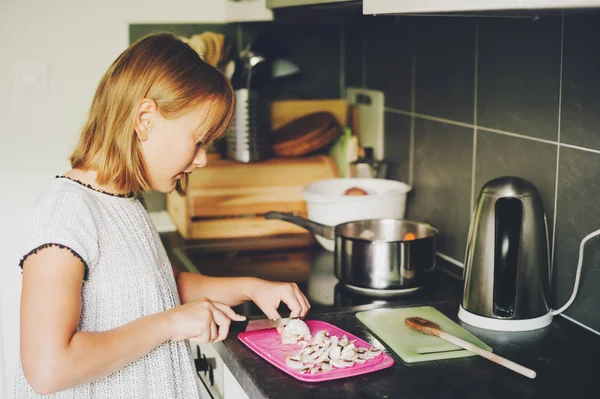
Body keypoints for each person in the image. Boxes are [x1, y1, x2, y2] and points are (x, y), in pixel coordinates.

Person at [15, 31, 311, 398]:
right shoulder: (67, 213)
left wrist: (251, 287)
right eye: (198, 140)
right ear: (145, 119)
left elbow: (161, 288)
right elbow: (48, 369)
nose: (202, 158)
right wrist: (171, 324)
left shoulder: (125, 201)